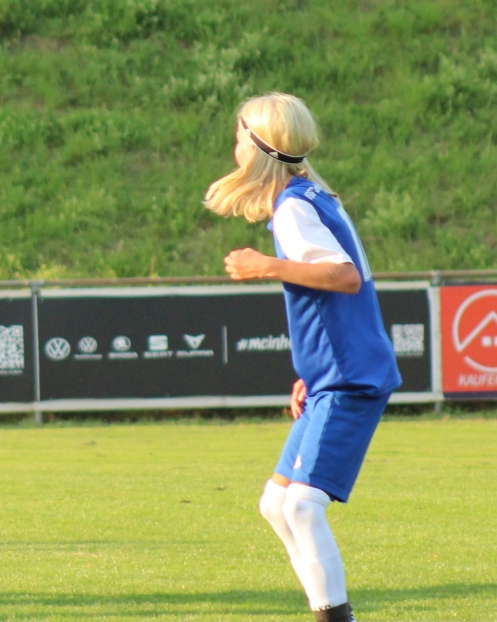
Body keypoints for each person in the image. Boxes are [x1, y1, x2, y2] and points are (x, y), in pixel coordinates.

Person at [209, 93, 399, 622]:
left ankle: (336, 618)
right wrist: (313, 372)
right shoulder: (311, 194)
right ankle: (326, 610)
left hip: (351, 376)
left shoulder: (294, 206)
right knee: (276, 504)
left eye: (240, 134)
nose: (234, 143)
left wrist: (264, 265)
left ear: (260, 144)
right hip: (333, 374)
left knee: (300, 506)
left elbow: (344, 277)